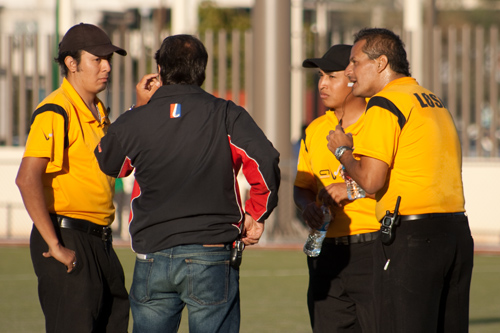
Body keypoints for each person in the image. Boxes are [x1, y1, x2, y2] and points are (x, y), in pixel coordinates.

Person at [94, 34, 280, 332]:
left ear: (160, 69)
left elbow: (109, 161)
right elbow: (265, 160)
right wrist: (255, 214)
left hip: (152, 253)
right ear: (202, 70)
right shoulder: (226, 113)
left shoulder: (139, 119)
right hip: (211, 253)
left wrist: (137, 108)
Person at [327, 28, 474, 333]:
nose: (349, 71)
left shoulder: (385, 103)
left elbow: (371, 180)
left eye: (355, 62)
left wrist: (343, 151)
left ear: (380, 63)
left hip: (412, 237)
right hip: (456, 233)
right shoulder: (431, 99)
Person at [15, 23, 130, 332]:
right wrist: (54, 244)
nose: (107, 67)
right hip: (68, 237)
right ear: (71, 63)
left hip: (101, 242)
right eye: (98, 59)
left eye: (109, 59)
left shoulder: (97, 111)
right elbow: (27, 178)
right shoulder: (56, 109)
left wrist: (143, 109)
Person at [294, 44, 380, 332]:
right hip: (326, 254)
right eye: (320, 76)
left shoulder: (380, 122)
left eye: (331, 76)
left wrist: (352, 189)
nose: (322, 84)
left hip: (375, 248)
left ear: (353, 77)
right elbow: (302, 185)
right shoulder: (315, 130)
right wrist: (307, 207)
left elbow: (396, 181)